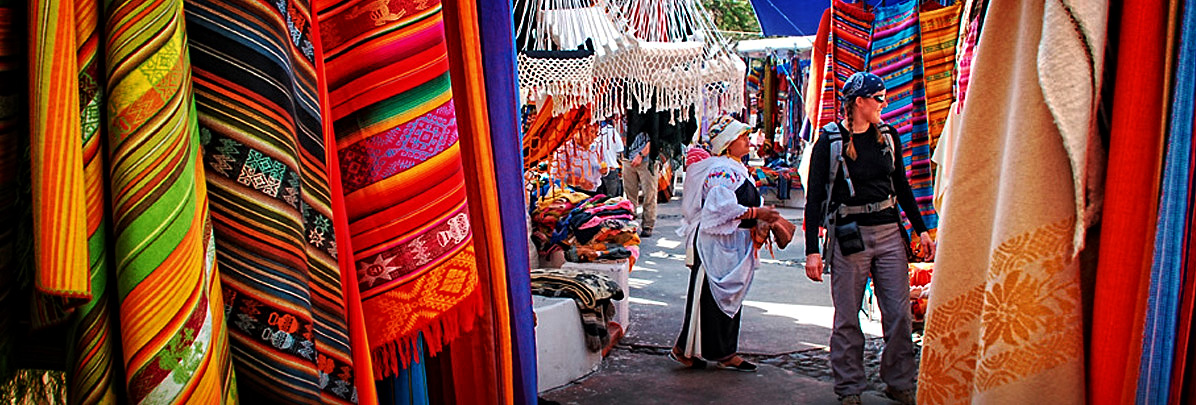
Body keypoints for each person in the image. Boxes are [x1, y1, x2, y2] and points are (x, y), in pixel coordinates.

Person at [802, 71, 937, 405]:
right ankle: (849, 387)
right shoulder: (829, 142)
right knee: (848, 316)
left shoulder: (888, 137)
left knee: (899, 314)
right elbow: (814, 199)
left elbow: (902, 186)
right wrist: (812, 251)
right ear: (859, 102)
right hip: (849, 237)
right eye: (879, 98)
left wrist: (921, 229)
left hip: (889, 233)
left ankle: (899, 381)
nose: (884, 104)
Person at [670, 116, 784, 372]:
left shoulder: (735, 168)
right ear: (728, 143)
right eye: (742, 138)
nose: (748, 142)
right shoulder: (722, 171)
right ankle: (689, 350)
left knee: (726, 300)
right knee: (708, 300)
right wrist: (756, 213)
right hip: (713, 246)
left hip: (729, 245)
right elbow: (718, 208)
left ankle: (724, 352)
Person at [621, 130, 658, 237]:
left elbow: (655, 138)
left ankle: (648, 224)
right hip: (627, 158)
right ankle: (630, 222)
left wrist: (641, 155)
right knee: (629, 194)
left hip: (646, 160)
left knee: (649, 193)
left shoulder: (649, 120)